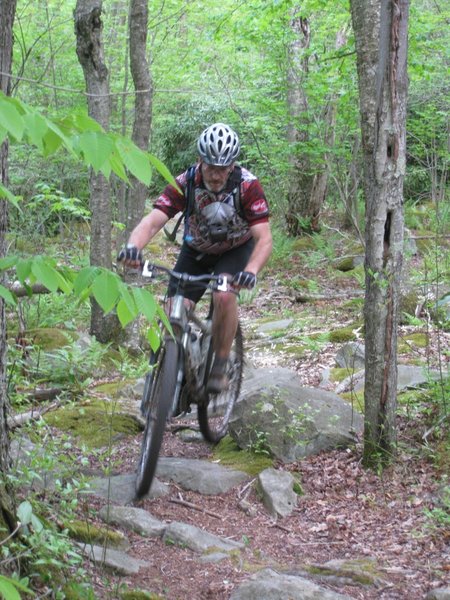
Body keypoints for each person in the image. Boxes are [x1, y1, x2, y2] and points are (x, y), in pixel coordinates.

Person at [119, 122, 272, 393]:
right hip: (196, 251)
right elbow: (153, 221)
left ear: (232, 166)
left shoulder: (248, 186)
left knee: (224, 294)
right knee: (172, 313)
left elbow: (263, 237)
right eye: (210, 167)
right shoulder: (185, 182)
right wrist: (133, 246)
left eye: (223, 168)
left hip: (236, 250)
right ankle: (171, 375)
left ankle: (220, 365)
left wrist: (251, 270)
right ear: (199, 161)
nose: (216, 175)